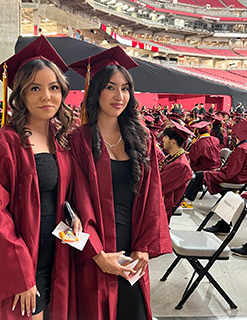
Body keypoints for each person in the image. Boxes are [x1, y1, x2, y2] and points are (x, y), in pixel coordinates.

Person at [0, 36, 81, 320]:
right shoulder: (5, 145)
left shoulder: (60, 138)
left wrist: (72, 214)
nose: (46, 96)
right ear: (20, 94)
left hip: (56, 257)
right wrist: (20, 275)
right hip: (23, 265)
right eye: (35, 88)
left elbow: (57, 194)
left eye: (53, 87)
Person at [69, 46, 172, 320]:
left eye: (125, 88)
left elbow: (153, 196)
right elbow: (76, 202)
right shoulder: (78, 140)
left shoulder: (142, 137)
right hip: (97, 253)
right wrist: (97, 253)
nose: (119, 96)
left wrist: (145, 247)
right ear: (96, 90)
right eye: (111, 87)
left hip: (134, 251)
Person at [185, 120, 247, 234]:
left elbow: (231, 172)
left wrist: (220, 171)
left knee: (201, 175)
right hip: (240, 176)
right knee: (226, 193)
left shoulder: (242, 149)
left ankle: (187, 200)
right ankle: (224, 224)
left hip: (235, 177)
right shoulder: (242, 146)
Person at [159, 121, 193, 222]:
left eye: (165, 137)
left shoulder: (180, 165)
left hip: (164, 202)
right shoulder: (172, 157)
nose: (163, 140)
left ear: (173, 142)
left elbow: (159, 185)